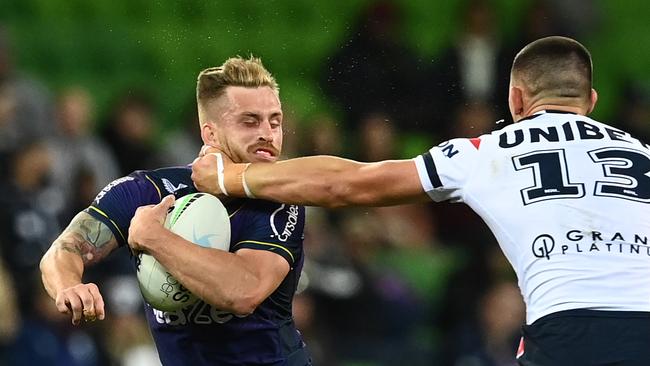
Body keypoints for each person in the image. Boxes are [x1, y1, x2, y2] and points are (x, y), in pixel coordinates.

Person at [192, 36, 650, 365]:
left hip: (568, 332)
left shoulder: (490, 151)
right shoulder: (642, 153)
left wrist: (233, 176)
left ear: (515, 99)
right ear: (590, 99)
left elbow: (350, 184)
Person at [40, 56, 312, 366]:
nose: (268, 133)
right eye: (250, 121)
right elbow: (63, 248)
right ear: (210, 134)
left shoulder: (280, 202)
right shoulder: (148, 190)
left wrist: (154, 237)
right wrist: (68, 284)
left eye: (275, 122)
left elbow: (243, 291)